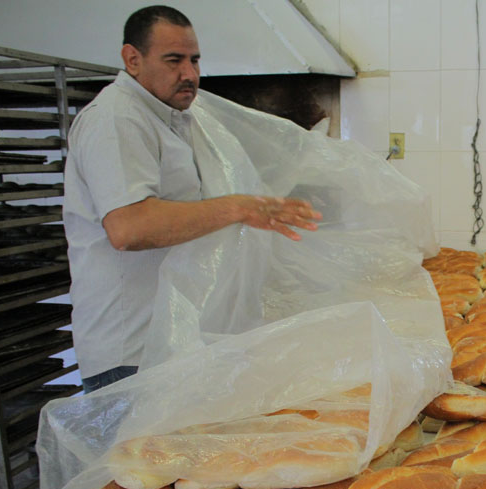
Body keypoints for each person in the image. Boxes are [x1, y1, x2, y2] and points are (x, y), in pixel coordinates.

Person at [63, 5, 322, 393]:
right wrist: (238, 207)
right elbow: (129, 227)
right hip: (131, 354)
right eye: (174, 60)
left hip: (176, 342)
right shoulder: (116, 121)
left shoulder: (176, 118)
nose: (190, 74)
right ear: (132, 59)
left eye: (195, 60)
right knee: (135, 455)